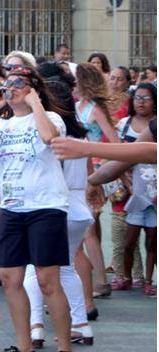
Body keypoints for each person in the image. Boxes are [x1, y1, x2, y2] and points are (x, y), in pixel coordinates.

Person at [0, 65, 76, 352]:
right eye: (8, 83)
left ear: (32, 88)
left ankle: (65, 349)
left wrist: (35, 103)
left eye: (19, 83)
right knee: (10, 278)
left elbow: (50, 138)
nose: (11, 88)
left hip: (45, 206)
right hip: (13, 207)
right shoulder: (1, 125)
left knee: (48, 281)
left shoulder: (50, 117)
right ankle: (24, 346)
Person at [23, 67, 94, 346]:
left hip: (55, 206)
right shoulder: (80, 134)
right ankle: (81, 324)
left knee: (31, 267)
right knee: (66, 270)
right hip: (79, 207)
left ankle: (36, 325)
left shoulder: (51, 135)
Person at [75, 62, 119, 298]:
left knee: (88, 229)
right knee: (86, 228)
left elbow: (115, 142)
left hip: (94, 172)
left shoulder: (94, 109)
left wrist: (102, 165)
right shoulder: (77, 106)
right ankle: (93, 278)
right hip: (79, 170)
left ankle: (100, 281)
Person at [109, 84, 157, 293]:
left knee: (152, 240)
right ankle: (125, 276)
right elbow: (117, 156)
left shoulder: (156, 125)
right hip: (131, 191)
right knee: (127, 239)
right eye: (137, 98)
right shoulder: (123, 125)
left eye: (146, 98)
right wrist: (127, 184)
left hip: (154, 192)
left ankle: (147, 280)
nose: (141, 102)